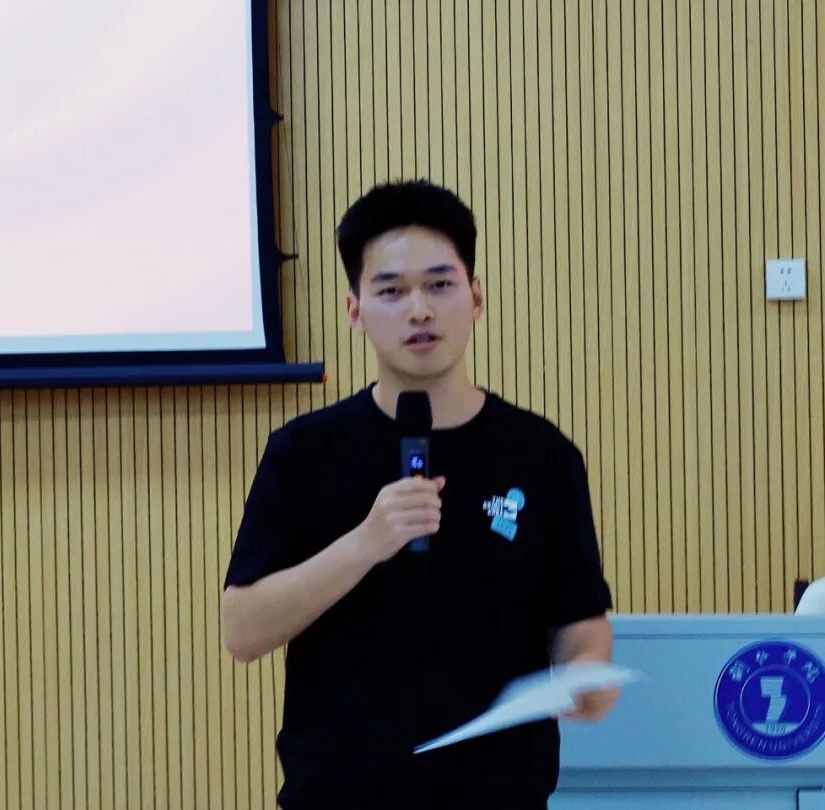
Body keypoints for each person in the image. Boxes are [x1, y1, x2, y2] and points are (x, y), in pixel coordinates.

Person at [221, 180, 617, 809]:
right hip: (339, 797)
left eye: (439, 285)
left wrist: (585, 673)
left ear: (476, 296)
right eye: (391, 291)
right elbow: (243, 631)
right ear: (354, 310)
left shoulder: (542, 454)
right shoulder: (304, 452)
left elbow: (579, 621)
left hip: (500, 796)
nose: (419, 310)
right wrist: (365, 543)